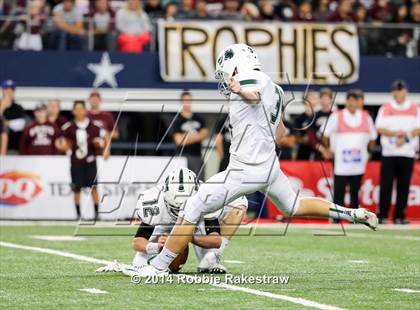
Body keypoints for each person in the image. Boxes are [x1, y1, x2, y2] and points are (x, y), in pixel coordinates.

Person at [133, 44, 378, 277]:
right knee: (293, 205)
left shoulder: (251, 79)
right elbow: (280, 134)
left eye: (225, 73)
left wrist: (241, 90)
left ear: (237, 66)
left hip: (245, 169)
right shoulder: (278, 90)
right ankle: (351, 213)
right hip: (269, 167)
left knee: (193, 206)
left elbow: (255, 95)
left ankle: (159, 266)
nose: (224, 80)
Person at [96, 168, 248, 274]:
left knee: (240, 203)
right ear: (165, 197)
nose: (180, 212)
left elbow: (216, 240)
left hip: (196, 226)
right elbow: (137, 242)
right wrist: (157, 247)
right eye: (176, 208)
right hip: (165, 227)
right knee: (139, 264)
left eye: (184, 207)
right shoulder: (154, 202)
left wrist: (189, 237)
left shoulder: (206, 196)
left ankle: (210, 258)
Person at [323, 90, 377, 211]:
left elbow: (373, 137)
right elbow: (325, 134)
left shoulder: (365, 117)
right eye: (350, 100)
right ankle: (337, 216)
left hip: (358, 161)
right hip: (341, 161)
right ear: (346, 102)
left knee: (355, 191)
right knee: (339, 190)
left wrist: (369, 152)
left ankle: (354, 216)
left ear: (358, 102)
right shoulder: (337, 116)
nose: (352, 103)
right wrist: (328, 149)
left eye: (355, 100)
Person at [375, 80, 420, 224]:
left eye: (401, 90)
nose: (399, 93)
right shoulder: (386, 108)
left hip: (407, 152)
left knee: (404, 186)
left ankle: (399, 215)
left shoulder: (414, 108)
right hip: (389, 152)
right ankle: (382, 215)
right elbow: (379, 128)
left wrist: (405, 137)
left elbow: (418, 128)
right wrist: (395, 135)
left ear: (406, 91)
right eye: (396, 90)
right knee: (386, 185)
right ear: (393, 92)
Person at [56, 100, 106, 220]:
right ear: (73, 111)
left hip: (90, 161)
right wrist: (63, 146)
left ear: (85, 110)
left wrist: (100, 145)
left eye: (81, 109)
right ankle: (78, 214)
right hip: (76, 162)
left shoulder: (94, 126)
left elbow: (103, 138)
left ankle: (97, 213)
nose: (79, 111)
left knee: (93, 187)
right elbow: (62, 142)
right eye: (76, 109)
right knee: (76, 188)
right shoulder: (69, 127)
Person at [173, 90, 209, 180]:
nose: (187, 103)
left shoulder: (199, 119)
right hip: (182, 157)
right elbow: (179, 141)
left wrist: (186, 136)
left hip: (197, 156)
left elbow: (205, 135)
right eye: (185, 101)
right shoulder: (177, 120)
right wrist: (197, 135)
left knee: (199, 183)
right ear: (181, 102)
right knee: (182, 183)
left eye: (188, 100)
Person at [87, 89, 118, 159]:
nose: (94, 101)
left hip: (103, 152)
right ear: (89, 100)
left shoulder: (107, 115)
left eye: (96, 99)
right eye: (92, 99)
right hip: (87, 152)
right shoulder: (85, 115)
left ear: (100, 100)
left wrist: (104, 134)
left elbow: (116, 134)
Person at [0, 79, 26, 153]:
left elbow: (20, 125)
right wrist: (2, 108)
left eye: (11, 89)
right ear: (3, 90)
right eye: (6, 89)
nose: (8, 92)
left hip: (13, 148)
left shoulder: (18, 108)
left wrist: (5, 123)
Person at [294, 90, 317, 160]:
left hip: (317, 155)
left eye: (315, 98)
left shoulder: (318, 117)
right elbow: (296, 138)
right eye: (312, 97)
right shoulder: (299, 119)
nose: (315, 99)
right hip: (303, 154)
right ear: (305, 100)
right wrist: (309, 139)